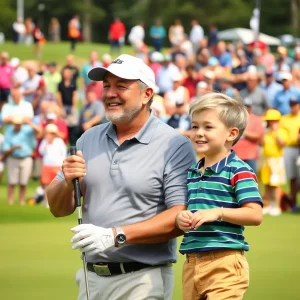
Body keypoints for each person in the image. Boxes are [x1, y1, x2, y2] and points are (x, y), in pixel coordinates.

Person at [46, 54, 196, 300]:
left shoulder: (174, 145)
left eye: (121, 86)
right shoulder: (88, 138)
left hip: (143, 280)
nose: (109, 93)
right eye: (106, 86)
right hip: (90, 279)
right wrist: (66, 182)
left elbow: (179, 217)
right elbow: (58, 208)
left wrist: (115, 235)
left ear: (147, 94)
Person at [176, 92, 263, 300]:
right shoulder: (192, 172)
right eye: (195, 126)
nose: (198, 133)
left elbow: (255, 214)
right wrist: (181, 218)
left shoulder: (238, 170)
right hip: (191, 263)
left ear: (231, 133)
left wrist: (217, 212)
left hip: (224, 263)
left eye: (208, 127)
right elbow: (187, 211)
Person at [2, 115, 38, 205]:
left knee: (23, 182)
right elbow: (6, 150)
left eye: (19, 124)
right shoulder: (9, 132)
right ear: (13, 124)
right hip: (13, 157)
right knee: (11, 182)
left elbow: (38, 131)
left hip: (26, 157)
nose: (17, 125)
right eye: (16, 124)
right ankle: (10, 201)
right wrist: (14, 148)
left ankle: (21, 202)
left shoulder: (27, 130)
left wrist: (29, 122)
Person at [261, 109, 288, 216]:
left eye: (273, 120)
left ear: (277, 121)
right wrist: (263, 132)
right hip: (266, 159)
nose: (271, 122)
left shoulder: (282, 131)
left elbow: (282, 144)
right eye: (269, 120)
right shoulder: (266, 132)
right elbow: (261, 143)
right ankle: (267, 205)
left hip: (276, 160)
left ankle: (276, 206)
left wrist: (276, 132)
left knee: (276, 184)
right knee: (267, 183)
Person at [233, 97, 265, 174]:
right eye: (245, 106)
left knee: (252, 177)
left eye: (248, 106)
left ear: (251, 107)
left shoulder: (257, 119)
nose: (246, 108)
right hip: (236, 153)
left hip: (251, 154)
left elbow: (258, 135)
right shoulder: (236, 119)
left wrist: (243, 132)